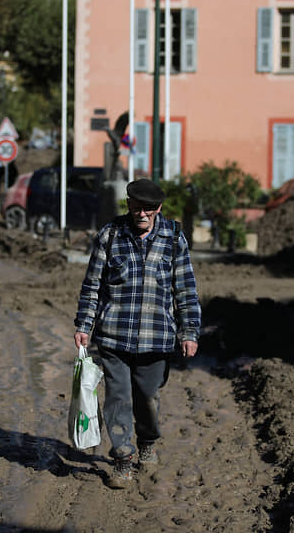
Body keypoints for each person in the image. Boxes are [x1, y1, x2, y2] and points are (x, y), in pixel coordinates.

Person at [73, 179, 201, 489]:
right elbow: (92, 286)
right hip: (114, 336)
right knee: (117, 398)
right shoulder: (111, 235)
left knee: (147, 398)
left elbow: (185, 289)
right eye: (135, 207)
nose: (141, 213)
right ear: (128, 205)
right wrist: (84, 325)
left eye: (148, 208)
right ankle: (123, 458)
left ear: (159, 208)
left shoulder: (173, 238)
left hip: (156, 339)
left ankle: (148, 442)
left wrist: (190, 332)